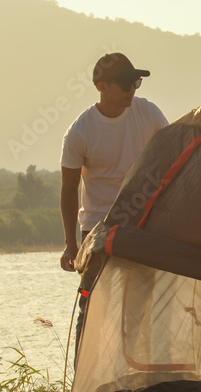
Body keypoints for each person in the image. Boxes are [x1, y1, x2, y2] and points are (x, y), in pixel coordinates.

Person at [59, 52, 169, 347]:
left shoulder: (148, 113)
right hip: (98, 230)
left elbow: (174, 155)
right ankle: (84, 382)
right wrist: (71, 243)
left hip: (143, 224)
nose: (132, 91)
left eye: (136, 83)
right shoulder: (80, 132)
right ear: (101, 86)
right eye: (125, 85)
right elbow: (69, 190)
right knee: (93, 304)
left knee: (142, 305)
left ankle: (138, 377)